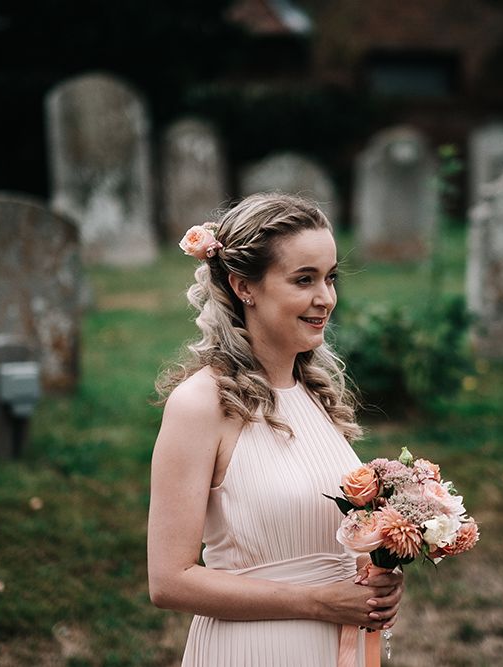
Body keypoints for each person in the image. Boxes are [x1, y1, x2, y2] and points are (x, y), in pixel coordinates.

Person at [147, 193, 404, 666]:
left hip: (331, 647)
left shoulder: (315, 393)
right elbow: (169, 581)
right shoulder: (201, 404)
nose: (325, 298)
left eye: (330, 278)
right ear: (245, 286)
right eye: (303, 280)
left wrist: (377, 577)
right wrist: (317, 602)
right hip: (254, 649)